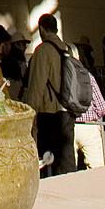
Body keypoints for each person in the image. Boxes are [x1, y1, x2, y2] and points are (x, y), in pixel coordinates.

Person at [23, 13, 77, 175]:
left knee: (48, 159)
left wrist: (31, 116)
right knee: (67, 158)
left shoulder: (43, 51)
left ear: (41, 29)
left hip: (49, 112)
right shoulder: (67, 49)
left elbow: (36, 86)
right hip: (68, 109)